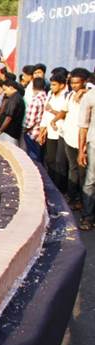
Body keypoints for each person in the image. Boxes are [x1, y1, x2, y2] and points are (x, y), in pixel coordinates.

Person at [61, 68, 90, 210]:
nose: (74, 85)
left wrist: (84, 91)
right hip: (69, 137)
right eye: (72, 82)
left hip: (82, 141)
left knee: (83, 174)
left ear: (84, 82)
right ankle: (72, 197)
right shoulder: (70, 95)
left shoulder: (88, 95)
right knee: (72, 169)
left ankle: (82, 201)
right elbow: (64, 111)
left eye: (77, 83)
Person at [39, 72, 69, 191]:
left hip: (61, 133)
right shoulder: (50, 95)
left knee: (60, 163)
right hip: (50, 133)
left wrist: (52, 111)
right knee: (50, 160)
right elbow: (45, 115)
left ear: (62, 85)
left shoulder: (66, 96)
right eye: (51, 85)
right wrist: (42, 131)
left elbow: (65, 114)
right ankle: (51, 186)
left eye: (54, 85)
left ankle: (60, 189)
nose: (52, 87)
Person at [78, 77, 95, 230]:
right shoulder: (90, 96)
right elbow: (83, 126)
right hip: (94, 144)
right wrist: (81, 151)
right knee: (91, 180)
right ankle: (88, 216)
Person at [0, 79, 26, 148]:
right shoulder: (15, 97)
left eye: (5, 90)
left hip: (9, 133)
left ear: (11, 88)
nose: (4, 92)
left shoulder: (14, 99)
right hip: (9, 133)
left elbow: (9, 117)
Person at [23, 78, 48, 161]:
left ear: (33, 87)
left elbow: (30, 121)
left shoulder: (35, 100)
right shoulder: (46, 97)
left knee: (33, 158)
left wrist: (24, 129)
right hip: (42, 132)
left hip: (32, 134)